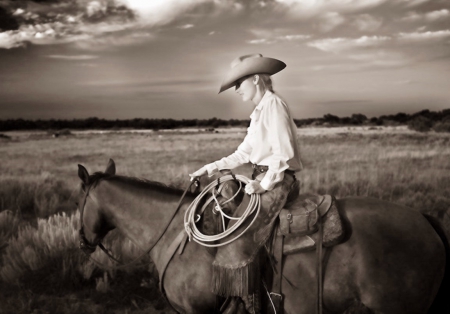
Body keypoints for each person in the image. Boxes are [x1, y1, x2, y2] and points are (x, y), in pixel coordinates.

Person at [189, 53, 302, 314]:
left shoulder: (273, 105)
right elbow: (243, 154)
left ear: (255, 79)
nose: (237, 90)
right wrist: (209, 168)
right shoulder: (259, 112)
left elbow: (283, 153)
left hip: (278, 180)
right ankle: (246, 297)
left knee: (239, 239)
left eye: (239, 83)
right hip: (262, 178)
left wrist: (264, 185)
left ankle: (253, 307)